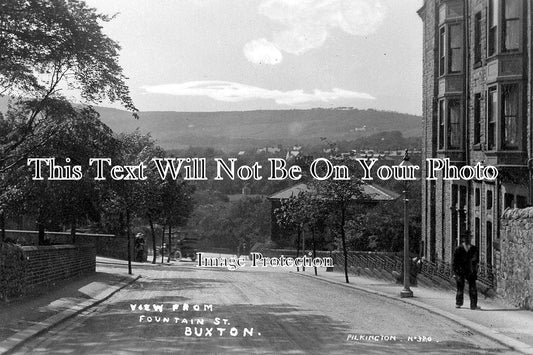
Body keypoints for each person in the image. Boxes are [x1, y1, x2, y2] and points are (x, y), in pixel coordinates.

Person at [452, 231, 479, 310]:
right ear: (463, 239)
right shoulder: (459, 249)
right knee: (460, 287)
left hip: (470, 271)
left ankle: (473, 305)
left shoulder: (474, 249)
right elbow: (454, 261)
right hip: (460, 271)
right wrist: (455, 272)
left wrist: (475, 270)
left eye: (469, 237)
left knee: (473, 288)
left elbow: (476, 261)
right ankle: (458, 303)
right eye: (466, 237)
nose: (468, 239)